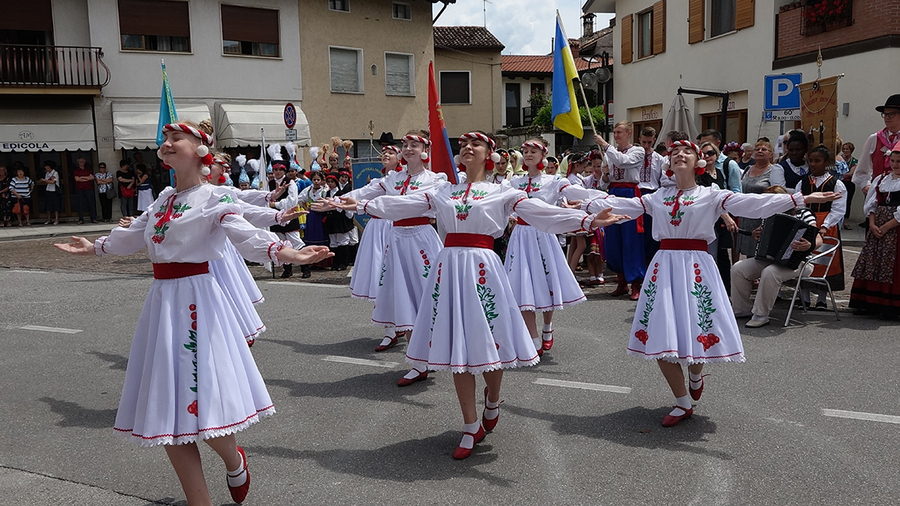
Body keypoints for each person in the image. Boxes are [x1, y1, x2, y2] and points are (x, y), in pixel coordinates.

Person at [54, 120, 332, 506]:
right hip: (162, 303)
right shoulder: (163, 198)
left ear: (201, 150)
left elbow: (246, 235)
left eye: (175, 139)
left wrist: (288, 252)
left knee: (205, 407)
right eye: (163, 140)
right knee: (170, 414)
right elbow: (135, 234)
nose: (165, 144)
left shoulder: (215, 198)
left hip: (197, 301)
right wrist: (95, 246)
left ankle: (234, 463)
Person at [318, 130, 628, 459]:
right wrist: (359, 203)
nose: (467, 148)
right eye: (463, 144)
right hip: (448, 267)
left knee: (489, 340)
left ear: (489, 155)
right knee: (457, 348)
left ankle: (493, 399)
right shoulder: (443, 192)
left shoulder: (501, 192)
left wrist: (586, 218)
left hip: (483, 268)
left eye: (475, 144)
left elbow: (541, 214)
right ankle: (469, 425)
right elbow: (401, 204)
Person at [583, 139, 839, 426]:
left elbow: (753, 204)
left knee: (697, 329)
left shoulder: (712, 195)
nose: (680, 155)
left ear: (698, 162)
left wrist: (798, 199)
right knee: (660, 332)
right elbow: (621, 205)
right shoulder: (656, 198)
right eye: (674, 153)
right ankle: (682, 403)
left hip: (695, 265)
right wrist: (583, 201)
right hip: (664, 265)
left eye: (687, 152)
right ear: (668, 163)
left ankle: (695, 374)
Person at [338, 132, 444, 371]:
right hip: (397, 239)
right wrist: (337, 202)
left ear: (425, 150)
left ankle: (433, 349)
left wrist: (364, 205)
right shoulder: (393, 179)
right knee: (403, 296)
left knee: (427, 294)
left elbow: (413, 204)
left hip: (422, 239)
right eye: (405, 145)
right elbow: (363, 192)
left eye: (413, 145)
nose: (407, 149)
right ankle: (417, 361)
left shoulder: (436, 180)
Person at [506, 138, 601, 355]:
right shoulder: (513, 183)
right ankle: (533, 338)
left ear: (543, 156)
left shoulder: (554, 181)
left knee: (545, 281)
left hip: (543, 234)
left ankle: (547, 327)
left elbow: (576, 193)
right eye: (525, 151)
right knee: (522, 284)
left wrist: (601, 198)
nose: (528, 154)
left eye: (533, 151)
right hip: (521, 236)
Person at [731, 186, 823, 327]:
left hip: (799, 262)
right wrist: (757, 235)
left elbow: (818, 239)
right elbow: (765, 237)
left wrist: (809, 245)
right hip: (769, 259)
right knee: (738, 268)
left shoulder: (804, 213)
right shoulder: (768, 214)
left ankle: (761, 315)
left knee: (770, 272)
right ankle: (742, 309)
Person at [594, 121, 646, 300]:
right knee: (614, 238)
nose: (616, 135)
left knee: (632, 238)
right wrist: (606, 175)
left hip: (630, 194)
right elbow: (603, 183)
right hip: (614, 193)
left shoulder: (637, 151)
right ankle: (621, 280)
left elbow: (624, 162)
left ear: (629, 133)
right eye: (614, 132)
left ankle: (636, 283)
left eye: (619, 132)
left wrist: (605, 145)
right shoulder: (610, 153)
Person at [849, 142, 900, 318]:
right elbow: (872, 203)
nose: (895, 164)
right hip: (877, 227)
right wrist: (872, 223)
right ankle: (869, 303)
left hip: (895, 229)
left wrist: (886, 226)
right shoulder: (882, 179)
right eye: (893, 160)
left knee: (892, 264)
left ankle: (890, 305)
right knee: (872, 262)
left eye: (899, 161)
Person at [796, 146, 847, 307]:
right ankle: (804, 297)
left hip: (826, 223)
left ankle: (821, 299)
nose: (813, 164)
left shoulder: (836, 183)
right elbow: (798, 204)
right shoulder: (803, 182)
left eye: (817, 161)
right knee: (805, 258)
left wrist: (826, 225)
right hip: (806, 222)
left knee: (824, 259)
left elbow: (839, 208)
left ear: (826, 163)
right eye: (810, 161)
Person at [347, 146, 397, 302]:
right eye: (384, 153)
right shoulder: (378, 181)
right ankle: (379, 293)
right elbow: (359, 194)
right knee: (376, 259)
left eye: (391, 153)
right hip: (376, 225)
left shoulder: (400, 180)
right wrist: (335, 201)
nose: (386, 155)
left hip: (391, 223)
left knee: (391, 260)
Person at [697, 142, 739, 293]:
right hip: (709, 221)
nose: (707, 156)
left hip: (720, 220)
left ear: (716, 155)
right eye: (704, 154)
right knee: (711, 257)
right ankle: (710, 293)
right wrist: (727, 217)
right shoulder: (700, 176)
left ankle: (725, 292)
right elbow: (711, 199)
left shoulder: (720, 173)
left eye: (710, 153)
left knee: (722, 257)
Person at [735, 141, 779, 258]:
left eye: (764, 149)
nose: (760, 151)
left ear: (771, 154)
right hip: (745, 217)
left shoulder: (774, 171)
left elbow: (777, 192)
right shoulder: (747, 169)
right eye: (757, 149)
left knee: (759, 254)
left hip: (762, 216)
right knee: (746, 254)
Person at [852, 94, 900, 196]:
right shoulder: (874, 139)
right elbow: (862, 170)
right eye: (885, 114)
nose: (887, 118)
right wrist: (866, 185)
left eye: (891, 114)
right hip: (878, 195)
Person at [73, 156, 97, 224]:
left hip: (89, 188)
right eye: (80, 162)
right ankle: (81, 219)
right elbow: (77, 179)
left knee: (91, 204)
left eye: (82, 161)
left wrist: (82, 178)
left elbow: (92, 178)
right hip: (80, 189)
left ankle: (93, 218)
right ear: (78, 163)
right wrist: (87, 178)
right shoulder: (76, 171)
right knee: (80, 204)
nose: (81, 163)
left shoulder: (88, 170)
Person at [840, 141, 858, 229]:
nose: (845, 151)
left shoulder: (854, 161)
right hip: (840, 183)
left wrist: (840, 174)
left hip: (849, 183)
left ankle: (846, 222)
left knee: (848, 202)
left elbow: (851, 173)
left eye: (847, 149)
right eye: (844, 149)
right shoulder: (839, 159)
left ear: (851, 150)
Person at [38, 160, 61, 225]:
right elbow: (46, 182)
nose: (45, 168)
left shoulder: (55, 173)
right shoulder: (47, 173)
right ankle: (49, 219)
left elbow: (53, 182)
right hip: (48, 190)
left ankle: (56, 219)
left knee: (56, 205)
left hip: (54, 191)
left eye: (46, 166)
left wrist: (45, 180)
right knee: (48, 206)